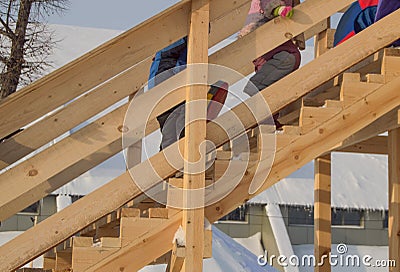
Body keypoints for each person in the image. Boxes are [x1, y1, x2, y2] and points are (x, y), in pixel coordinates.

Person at [239, 0, 301, 128]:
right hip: (263, 29)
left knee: (271, 74)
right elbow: (267, 3)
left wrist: (299, 37)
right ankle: (256, 87)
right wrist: (278, 9)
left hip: (270, 34)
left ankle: (268, 120)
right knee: (290, 57)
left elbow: (297, 8)